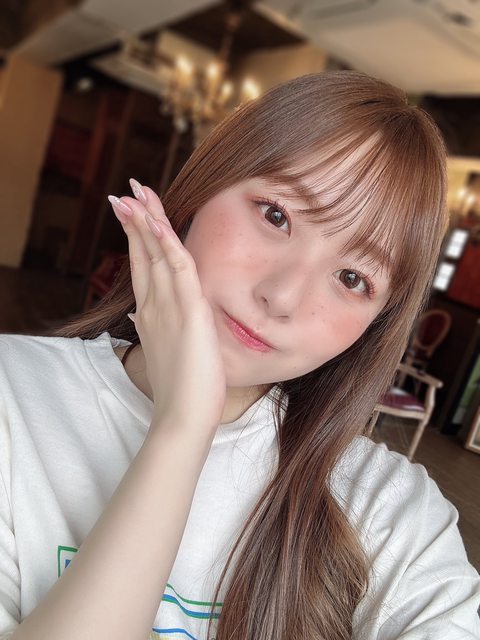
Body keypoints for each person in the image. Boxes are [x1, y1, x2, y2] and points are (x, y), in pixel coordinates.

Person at [0, 71, 478, 640]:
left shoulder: (391, 513)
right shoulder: (13, 395)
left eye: (352, 278)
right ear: (205, 186)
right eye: (277, 215)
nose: (282, 296)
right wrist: (182, 427)